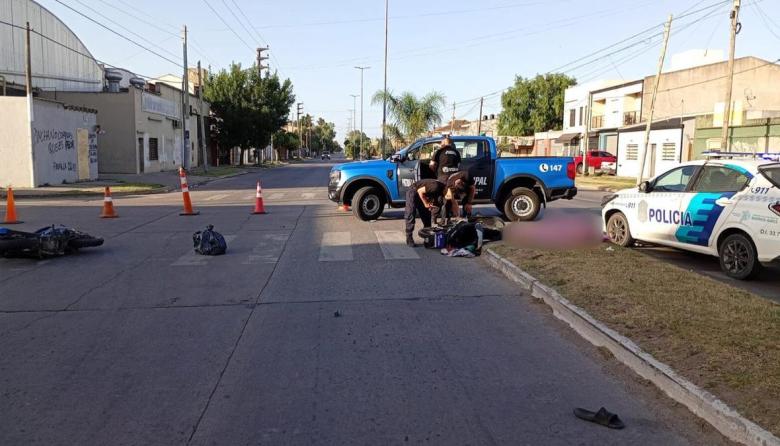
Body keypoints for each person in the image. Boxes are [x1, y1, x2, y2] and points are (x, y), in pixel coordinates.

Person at [404, 178, 446, 247]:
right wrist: (426, 203)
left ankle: (427, 238)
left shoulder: (442, 192)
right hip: (413, 190)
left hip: (423, 194)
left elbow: (437, 207)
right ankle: (409, 237)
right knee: (410, 213)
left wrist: (435, 219)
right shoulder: (435, 186)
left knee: (426, 215)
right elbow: (420, 191)